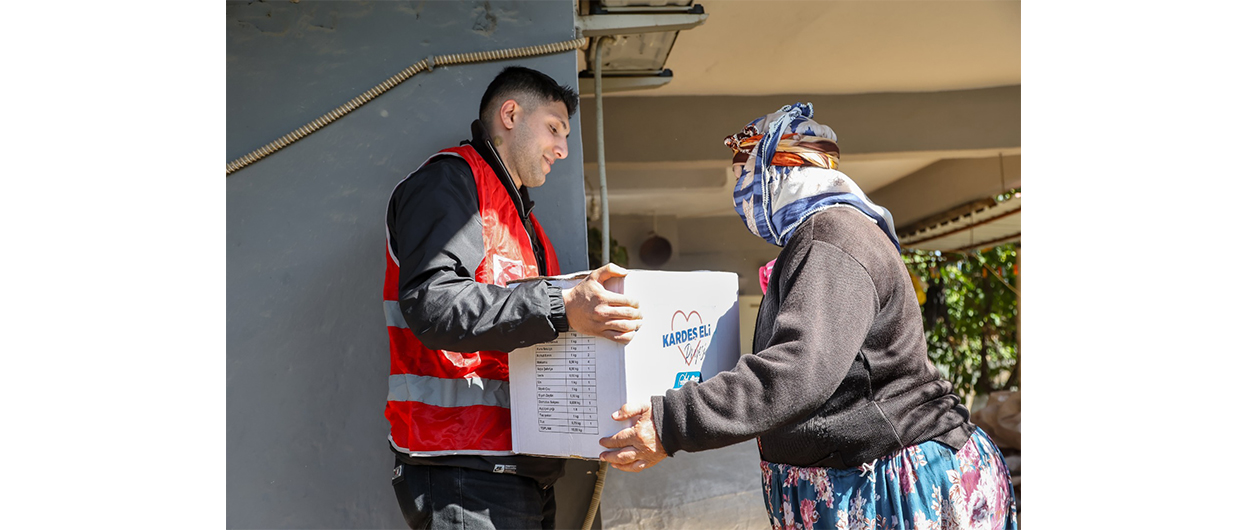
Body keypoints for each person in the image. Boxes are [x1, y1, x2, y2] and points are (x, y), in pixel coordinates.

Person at [599, 103, 1018, 529]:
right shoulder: (822, 237)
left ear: (783, 170)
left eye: (746, 174)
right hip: (864, 475)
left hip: (894, 482)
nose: (740, 191)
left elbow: (799, 370)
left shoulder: (833, 236)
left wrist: (670, 422)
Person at [383, 66, 643, 530]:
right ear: (510, 115)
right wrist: (562, 306)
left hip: (517, 469)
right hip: (462, 468)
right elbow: (433, 303)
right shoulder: (449, 183)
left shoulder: (522, 220)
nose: (562, 149)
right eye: (554, 129)